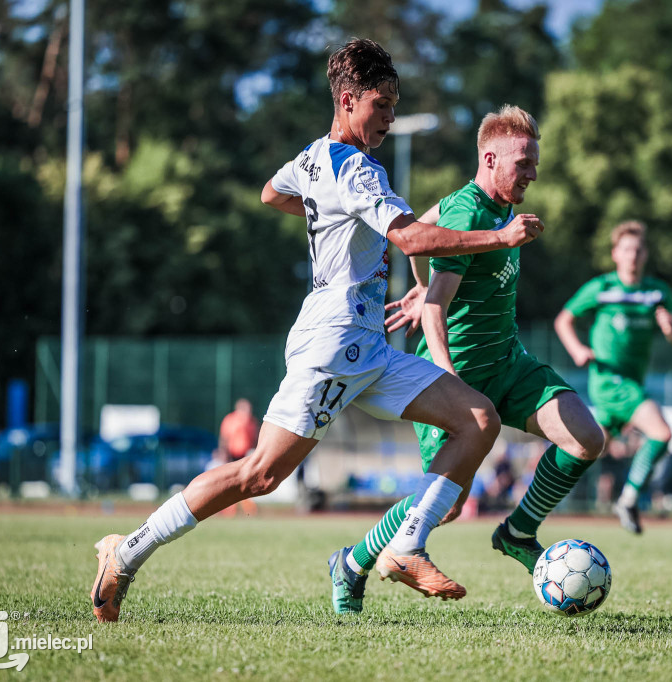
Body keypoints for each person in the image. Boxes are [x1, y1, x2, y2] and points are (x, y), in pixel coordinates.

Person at [89, 39, 545, 623]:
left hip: (369, 348)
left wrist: (326, 217)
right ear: (349, 100)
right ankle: (125, 552)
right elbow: (409, 239)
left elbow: (272, 193)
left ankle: (405, 546)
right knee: (258, 474)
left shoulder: (313, 158)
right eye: (381, 105)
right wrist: (499, 239)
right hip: (333, 345)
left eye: (394, 105)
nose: (390, 117)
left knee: (477, 419)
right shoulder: (355, 168)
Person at [327, 105, 604, 614]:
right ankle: (352, 562)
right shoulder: (471, 211)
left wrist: (418, 281)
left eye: (535, 163)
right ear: (490, 157)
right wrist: (448, 378)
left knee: (586, 438)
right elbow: (434, 311)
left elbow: (416, 229)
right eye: (523, 162)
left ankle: (518, 532)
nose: (533, 173)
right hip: (461, 375)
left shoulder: (487, 205)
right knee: (447, 505)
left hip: (507, 360)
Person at [555, 220, 672, 534]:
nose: (632, 255)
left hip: (633, 383)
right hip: (609, 382)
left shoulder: (657, 292)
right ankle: (628, 499)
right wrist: (577, 349)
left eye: (638, 250)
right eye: (626, 249)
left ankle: (534, 501)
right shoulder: (602, 288)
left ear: (645, 255)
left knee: (586, 451)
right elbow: (564, 320)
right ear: (615, 254)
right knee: (662, 433)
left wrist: (670, 329)